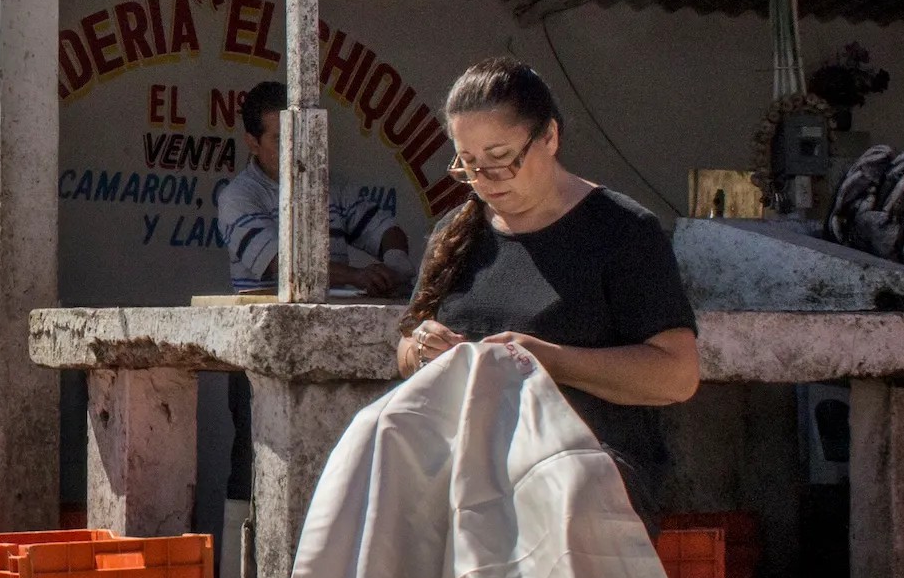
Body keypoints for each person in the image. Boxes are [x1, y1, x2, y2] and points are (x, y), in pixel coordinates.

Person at [396, 56, 699, 519]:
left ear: (550, 138)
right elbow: (407, 346)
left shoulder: (622, 230)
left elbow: (677, 375)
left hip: (585, 473)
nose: (483, 181)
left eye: (500, 160)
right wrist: (423, 350)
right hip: (468, 464)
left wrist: (547, 360)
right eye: (468, 164)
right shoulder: (456, 233)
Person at [215, 81, 412, 297]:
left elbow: (385, 230)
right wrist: (356, 276)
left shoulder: (333, 186)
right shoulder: (237, 198)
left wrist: (396, 262)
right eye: (280, 139)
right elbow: (284, 266)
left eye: (300, 136)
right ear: (253, 143)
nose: (294, 147)